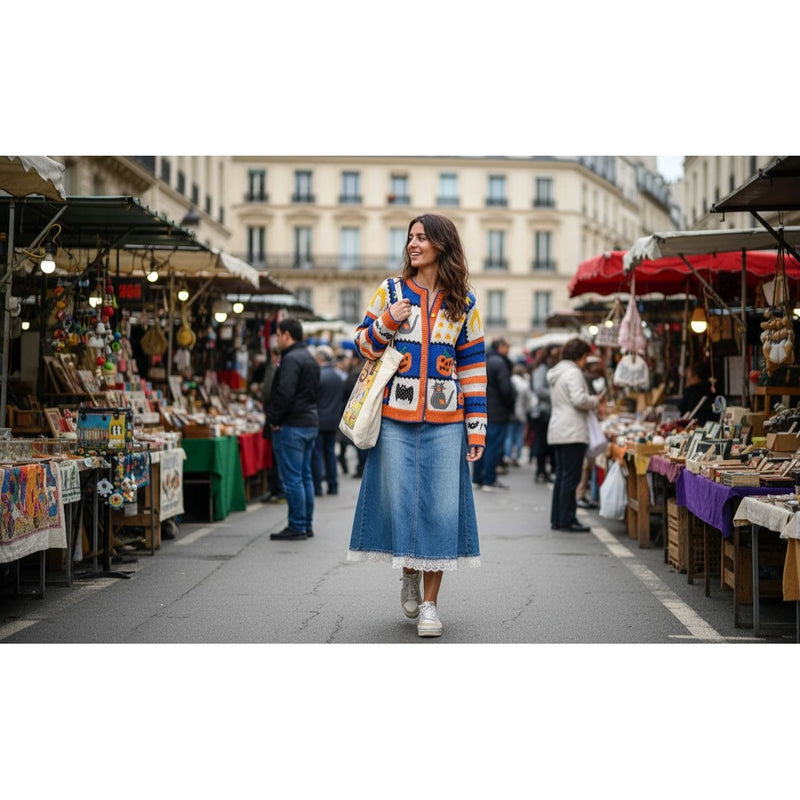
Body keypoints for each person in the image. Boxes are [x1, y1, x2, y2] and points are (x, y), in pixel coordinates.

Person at [347, 213, 486, 638]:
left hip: (446, 421)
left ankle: (430, 605)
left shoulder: (464, 301)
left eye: (422, 238)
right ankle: (409, 573)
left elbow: (473, 366)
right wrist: (388, 320)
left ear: (441, 244)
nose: (413, 244)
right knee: (402, 506)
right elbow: (362, 345)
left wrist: (476, 427)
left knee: (441, 509)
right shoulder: (390, 291)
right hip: (394, 418)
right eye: (410, 237)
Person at [546, 337, 607, 533]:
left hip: (557, 428)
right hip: (572, 430)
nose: (585, 362)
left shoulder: (556, 372)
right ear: (581, 356)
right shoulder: (573, 373)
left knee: (562, 476)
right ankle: (567, 519)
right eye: (585, 357)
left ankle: (557, 518)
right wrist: (595, 400)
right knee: (571, 477)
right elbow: (579, 400)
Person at [267, 318, 320, 541]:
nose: (276, 339)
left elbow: (285, 393)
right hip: (309, 422)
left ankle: (297, 525)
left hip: (292, 425)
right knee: (304, 476)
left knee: (293, 479)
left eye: (278, 335)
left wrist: (274, 418)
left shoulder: (290, 359)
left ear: (287, 335)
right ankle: (305, 524)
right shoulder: (309, 357)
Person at [472, 337, 515, 491]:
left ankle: (477, 478)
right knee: (493, 447)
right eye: (507, 346)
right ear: (501, 347)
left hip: (482, 409)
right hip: (497, 412)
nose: (509, 350)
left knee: (480, 444)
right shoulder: (500, 363)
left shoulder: (484, 360)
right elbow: (506, 390)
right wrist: (510, 406)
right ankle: (489, 480)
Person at [312, 344, 345, 496]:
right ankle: (333, 485)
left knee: (318, 453)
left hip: (319, 420)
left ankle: (317, 487)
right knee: (330, 452)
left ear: (319, 358)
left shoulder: (318, 375)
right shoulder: (338, 376)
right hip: (333, 420)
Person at [576, 355, 605, 509]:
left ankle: (581, 494)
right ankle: (579, 494)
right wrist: (596, 400)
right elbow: (582, 400)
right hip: (582, 427)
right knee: (584, 464)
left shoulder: (582, 378)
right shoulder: (582, 379)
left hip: (582, 426)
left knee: (585, 464)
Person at [530, 344, 560, 481]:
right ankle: (541, 471)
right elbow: (539, 389)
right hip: (543, 413)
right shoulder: (542, 370)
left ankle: (545, 470)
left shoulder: (548, 369)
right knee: (543, 443)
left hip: (548, 412)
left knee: (547, 444)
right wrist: (556, 394)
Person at [505, 362, 533, 467]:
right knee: (519, 436)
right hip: (521, 413)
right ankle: (516, 456)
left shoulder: (510, 381)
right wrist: (526, 411)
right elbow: (528, 400)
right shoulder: (525, 383)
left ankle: (507, 456)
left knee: (509, 436)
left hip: (510, 413)